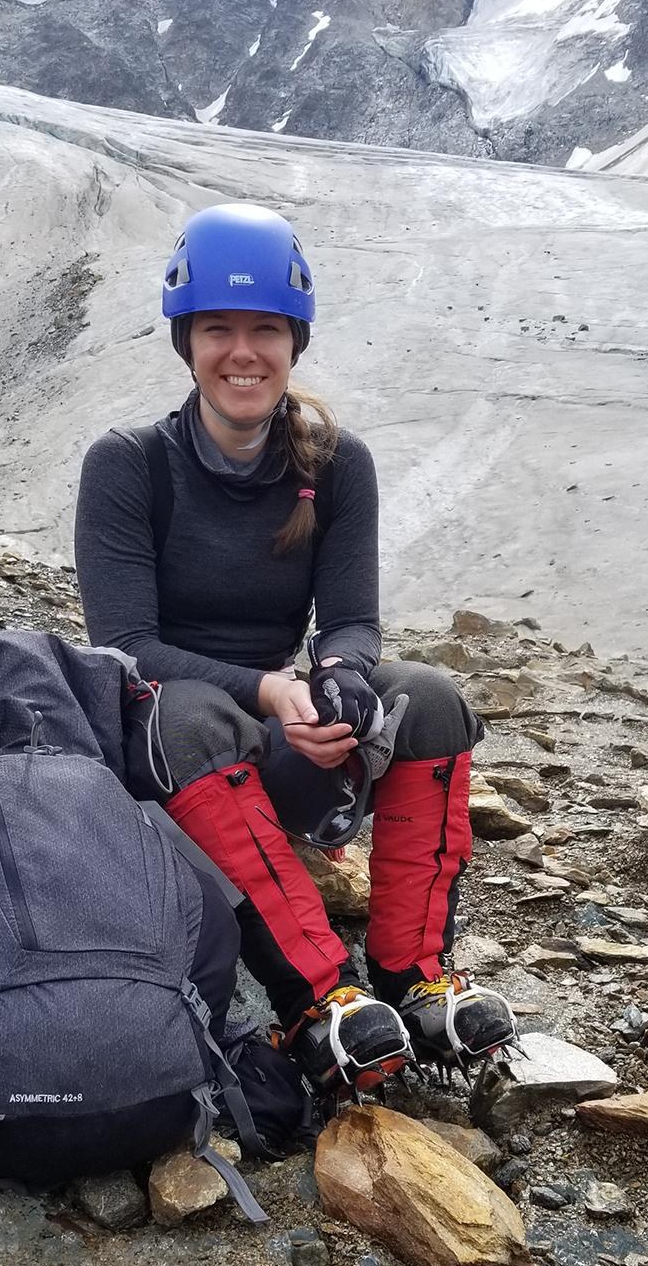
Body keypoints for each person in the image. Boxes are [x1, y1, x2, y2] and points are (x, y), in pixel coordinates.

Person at [74, 201, 514, 1095]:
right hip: (161, 763)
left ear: (295, 340)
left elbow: (352, 620)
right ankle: (320, 1001)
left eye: (265, 329)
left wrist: (341, 679)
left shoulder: (336, 464)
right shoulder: (128, 464)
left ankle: (412, 976)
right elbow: (123, 647)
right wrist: (270, 690)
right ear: (186, 341)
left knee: (427, 695)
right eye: (218, 330)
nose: (243, 352)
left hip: (272, 750)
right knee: (192, 711)